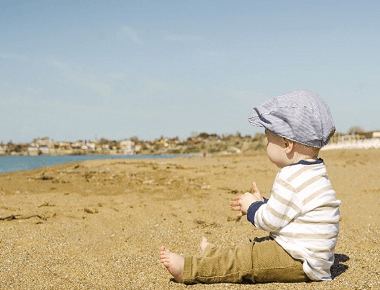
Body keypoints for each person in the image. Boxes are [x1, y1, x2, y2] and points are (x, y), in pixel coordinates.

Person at [159, 90, 341, 284]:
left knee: (247, 259)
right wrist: (263, 202)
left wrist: (252, 208)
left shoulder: (289, 176)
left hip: (298, 259)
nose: (266, 143)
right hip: (312, 257)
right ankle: (214, 253)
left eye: (268, 138)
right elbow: (292, 211)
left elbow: (271, 221)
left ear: (287, 144)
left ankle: (189, 268)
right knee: (252, 249)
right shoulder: (315, 171)